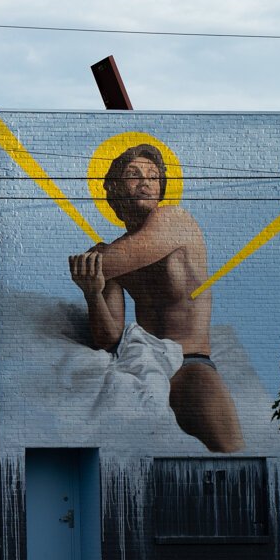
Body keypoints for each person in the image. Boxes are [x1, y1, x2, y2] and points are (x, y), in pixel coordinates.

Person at [68, 142, 243, 452]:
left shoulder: (174, 220)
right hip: (143, 366)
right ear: (113, 186)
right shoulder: (117, 251)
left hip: (191, 365)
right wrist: (93, 294)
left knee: (230, 454)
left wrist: (95, 261)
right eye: (134, 175)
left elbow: (106, 263)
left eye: (152, 175)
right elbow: (107, 337)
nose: (145, 181)